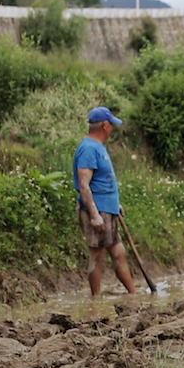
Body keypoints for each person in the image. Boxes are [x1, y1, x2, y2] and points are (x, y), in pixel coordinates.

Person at [72, 107, 137, 296]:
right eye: (112, 126)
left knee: (119, 253)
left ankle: (134, 295)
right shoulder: (88, 149)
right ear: (105, 125)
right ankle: (95, 301)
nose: (112, 130)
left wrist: (113, 204)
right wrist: (94, 215)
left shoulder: (98, 147)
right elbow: (84, 185)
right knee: (97, 256)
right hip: (97, 212)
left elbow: (102, 182)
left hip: (107, 210)